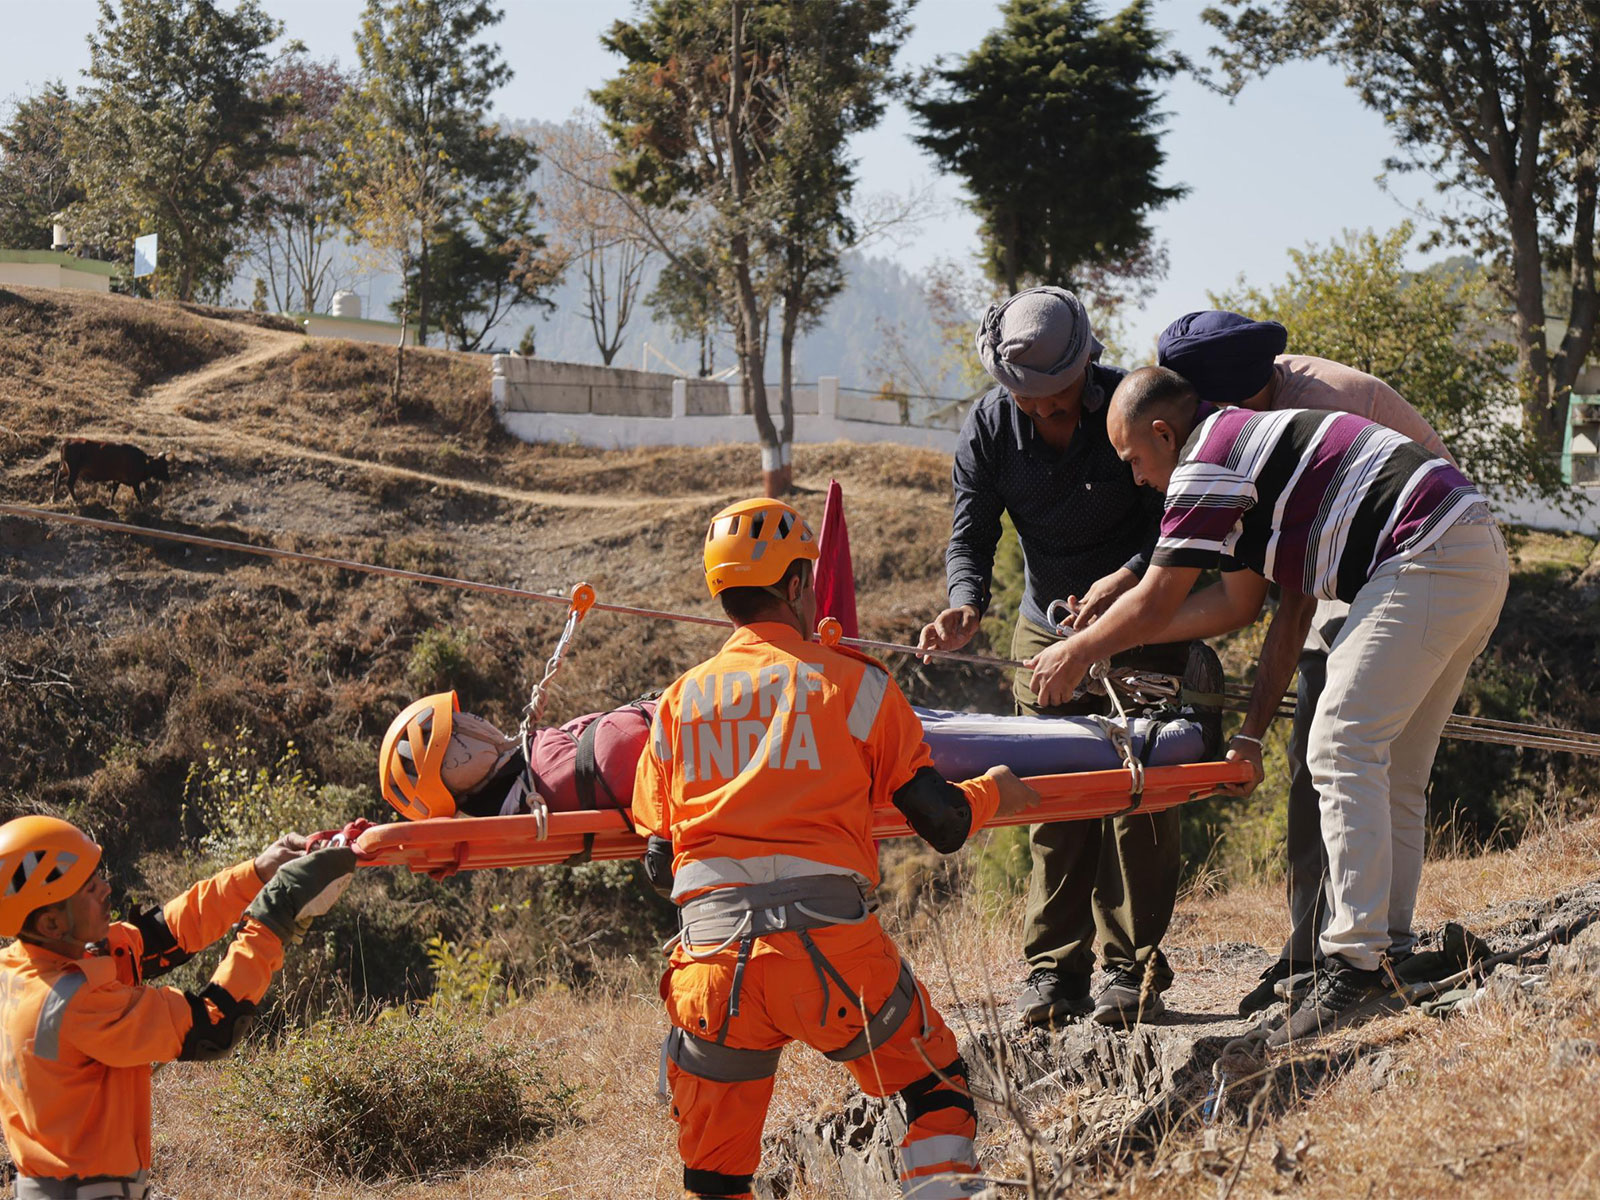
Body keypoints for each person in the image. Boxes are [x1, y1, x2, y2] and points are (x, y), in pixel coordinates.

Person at [1033, 366, 1507, 1047]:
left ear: (1163, 433)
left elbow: (1161, 600)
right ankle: (1390, 952)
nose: (1136, 478)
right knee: (1395, 768)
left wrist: (1077, 653)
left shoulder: (1206, 461)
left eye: (1134, 459)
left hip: (1426, 552)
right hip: (1470, 549)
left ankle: (1353, 959)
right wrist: (1116, 644)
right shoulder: (1254, 460)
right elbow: (1246, 607)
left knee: (1339, 745)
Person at [635, 497, 1041, 1200]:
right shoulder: (855, 685)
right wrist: (995, 793)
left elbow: (657, 860)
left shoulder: (676, 704)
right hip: (831, 960)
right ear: (796, 587)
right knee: (935, 1094)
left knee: (713, 1177)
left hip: (710, 970)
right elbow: (941, 824)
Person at [915, 286, 1192, 1029]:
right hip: (1045, 629)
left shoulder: (1131, 412)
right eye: (1028, 403)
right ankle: (1053, 974)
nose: (1045, 415)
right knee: (1052, 796)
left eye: (1060, 402)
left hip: (1142, 622)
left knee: (1142, 795)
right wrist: (965, 601)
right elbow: (971, 531)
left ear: (1088, 370)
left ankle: (1132, 971)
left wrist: (1123, 588)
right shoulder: (988, 427)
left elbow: (1174, 524)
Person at [0, 816, 358, 1198]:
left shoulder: (25, 965)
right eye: (90, 888)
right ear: (52, 923)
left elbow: (162, 934)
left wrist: (256, 873)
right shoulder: (73, 1003)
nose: (106, 888)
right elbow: (212, 1026)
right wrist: (273, 916)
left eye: (98, 876)